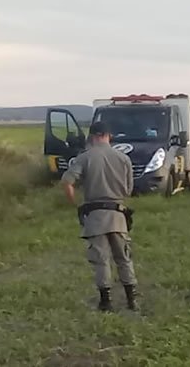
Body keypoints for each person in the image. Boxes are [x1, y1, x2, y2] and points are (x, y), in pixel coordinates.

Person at [62, 121, 139, 312]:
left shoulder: (85, 157)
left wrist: (75, 204)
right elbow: (129, 190)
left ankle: (106, 301)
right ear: (108, 136)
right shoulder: (123, 158)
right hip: (118, 214)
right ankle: (132, 300)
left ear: (92, 136)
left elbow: (67, 182)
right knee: (124, 258)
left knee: (100, 259)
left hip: (95, 215)